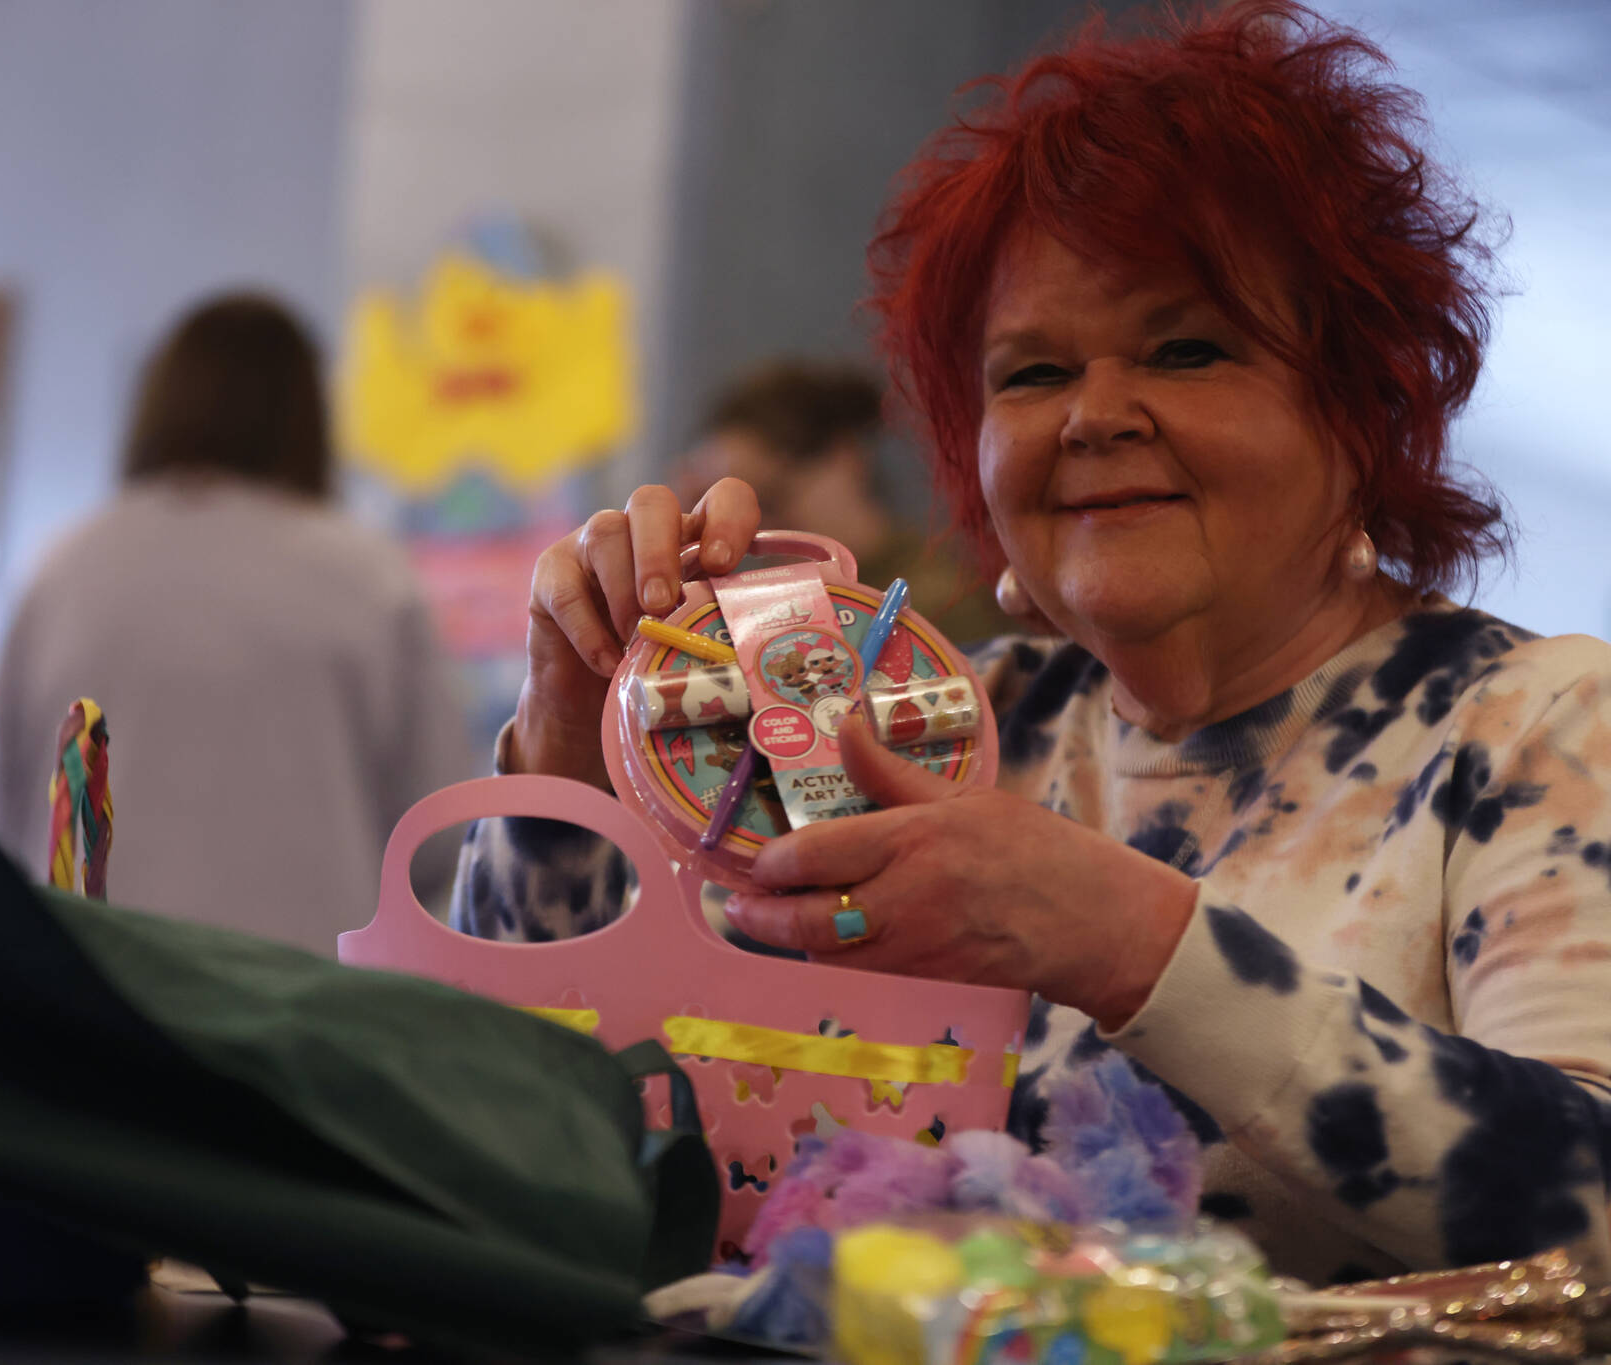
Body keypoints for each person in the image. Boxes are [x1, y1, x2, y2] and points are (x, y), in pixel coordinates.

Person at [452, 0, 1611, 1285]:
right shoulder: (921, 727)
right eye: (1031, 373)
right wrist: (569, 752)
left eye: (1185, 350)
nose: (1093, 416)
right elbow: (512, 1130)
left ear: (1361, 408)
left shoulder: (1535, 728)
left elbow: (1596, 1214)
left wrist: (1133, 945)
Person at [0, 294, 473, 956]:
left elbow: (9, 808)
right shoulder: (371, 578)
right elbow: (437, 833)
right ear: (307, 414)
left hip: (91, 980)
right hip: (304, 992)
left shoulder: (60, 570)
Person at [671, 360, 1021, 645]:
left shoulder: (936, 602)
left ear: (844, 459)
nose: (756, 530)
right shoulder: (775, 601)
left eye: (771, 498)